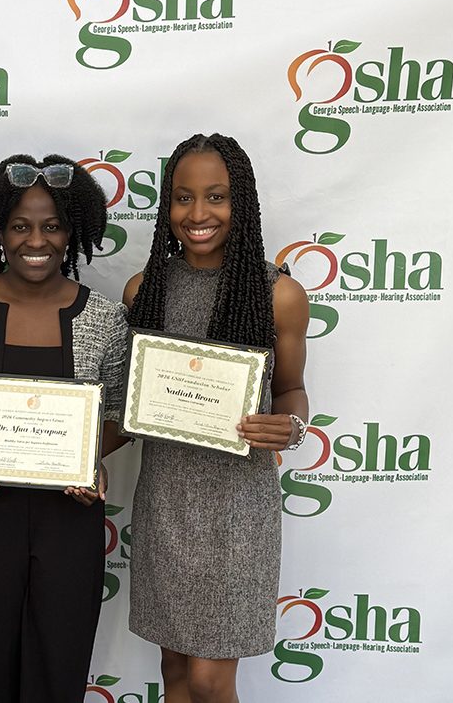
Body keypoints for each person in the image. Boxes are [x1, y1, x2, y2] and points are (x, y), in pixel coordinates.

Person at [0, 154, 129, 703]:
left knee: (60, 667)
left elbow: (123, 413)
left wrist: (88, 458)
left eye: (52, 225)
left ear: (74, 231)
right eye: (19, 225)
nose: (35, 240)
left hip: (73, 512)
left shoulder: (105, 318)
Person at [123, 133, 310, 703]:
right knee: (175, 671)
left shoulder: (279, 293)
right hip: (166, 500)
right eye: (182, 198)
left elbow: (293, 390)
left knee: (208, 680)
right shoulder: (143, 290)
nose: (198, 214)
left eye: (216, 197)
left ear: (243, 203)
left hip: (236, 509)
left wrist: (291, 426)